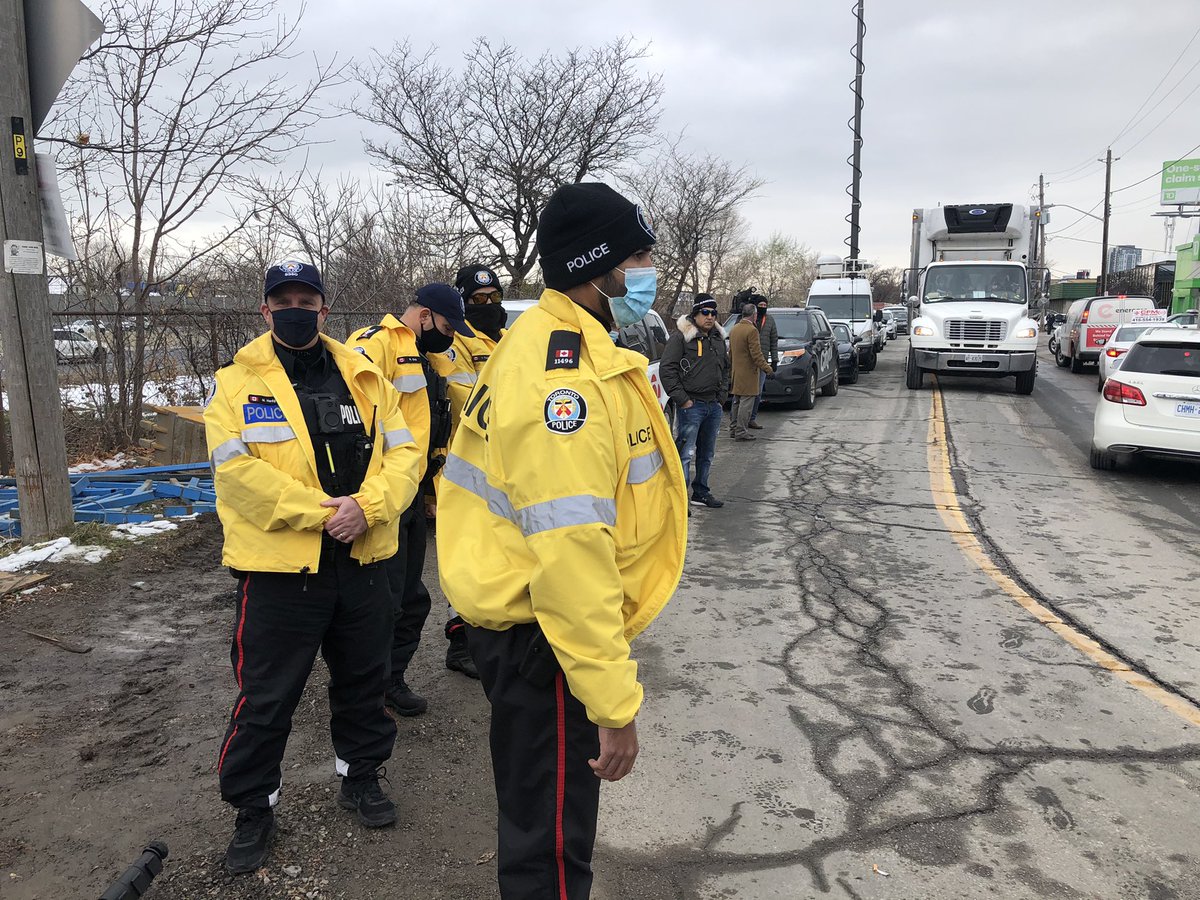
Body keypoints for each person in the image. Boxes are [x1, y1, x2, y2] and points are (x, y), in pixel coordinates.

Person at [436, 182, 687, 899]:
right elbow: (569, 555)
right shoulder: (560, 384)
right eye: (637, 257)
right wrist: (614, 705)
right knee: (548, 850)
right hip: (543, 644)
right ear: (595, 265)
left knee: (547, 834)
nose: (647, 272)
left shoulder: (563, 345)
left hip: (536, 639)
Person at [205, 260, 423, 875]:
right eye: (284, 299)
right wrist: (323, 514)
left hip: (362, 560)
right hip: (281, 572)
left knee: (364, 680)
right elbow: (237, 474)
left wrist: (368, 507)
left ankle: (361, 778)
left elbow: (403, 457)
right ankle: (253, 809)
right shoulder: (235, 383)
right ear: (265, 310)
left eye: (308, 298)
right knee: (267, 697)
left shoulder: (365, 376)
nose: (296, 308)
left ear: (325, 308)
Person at [348, 283, 475, 716]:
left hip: (415, 493)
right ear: (424, 316)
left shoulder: (429, 356)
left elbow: (433, 425)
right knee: (380, 602)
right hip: (382, 495)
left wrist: (429, 491)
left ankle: (391, 681)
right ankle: (368, 690)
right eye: (444, 325)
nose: (448, 335)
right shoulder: (375, 344)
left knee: (410, 598)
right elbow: (357, 417)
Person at [426, 263, 510, 680]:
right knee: (466, 559)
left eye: (494, 298)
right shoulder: (446, 345)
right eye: (478, 300)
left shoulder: (511, 341)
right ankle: (461, 642)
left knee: (500, 558)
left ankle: (493, 637)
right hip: (459, 470)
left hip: (505, 469)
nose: (489, 306)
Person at [660, 293, 729, 509]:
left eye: (713, 313)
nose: (710, 317)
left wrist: (722, 396)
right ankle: (680, 500)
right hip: (692, 406)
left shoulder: (718, 338)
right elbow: (667, 369)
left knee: (706, 454)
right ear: (695, 314)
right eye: (705, 313)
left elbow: (726, 368)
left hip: (713, 405)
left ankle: (701, 492)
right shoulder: (681, 337)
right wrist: (683, 400)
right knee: (684, 455)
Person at [728, 301, 774, 441]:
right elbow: (757, 355)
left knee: (736, 402)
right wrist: (768, 369)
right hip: (748, 374)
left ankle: (734, 429)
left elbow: (730, 353)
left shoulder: (734, 329)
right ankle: (741, 431)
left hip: (736, 372)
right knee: (746, 404)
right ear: (753, 315)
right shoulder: (752, 330)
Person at [748, 294, 778, 429]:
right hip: (747, 362)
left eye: (765, 306)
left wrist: (774, 360)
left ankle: (752, 418)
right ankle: (738, 420)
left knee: (758, 392)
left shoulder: (770, 320)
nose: (763, 308)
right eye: (760, 306)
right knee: (743, 392)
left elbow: (774, 341)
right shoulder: (748, 321)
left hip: (763, 361)